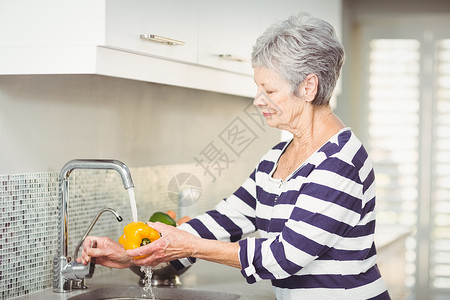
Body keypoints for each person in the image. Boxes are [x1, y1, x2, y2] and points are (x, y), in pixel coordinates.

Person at [78, 13, 391, 299]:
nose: (258, 100)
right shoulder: (277, 158)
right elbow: (226, 219)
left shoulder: (340, 162)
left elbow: (283, 258)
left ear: (309, 86)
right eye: (258, 88)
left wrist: (188, 246)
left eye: (269, 90)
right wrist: (131, 251)